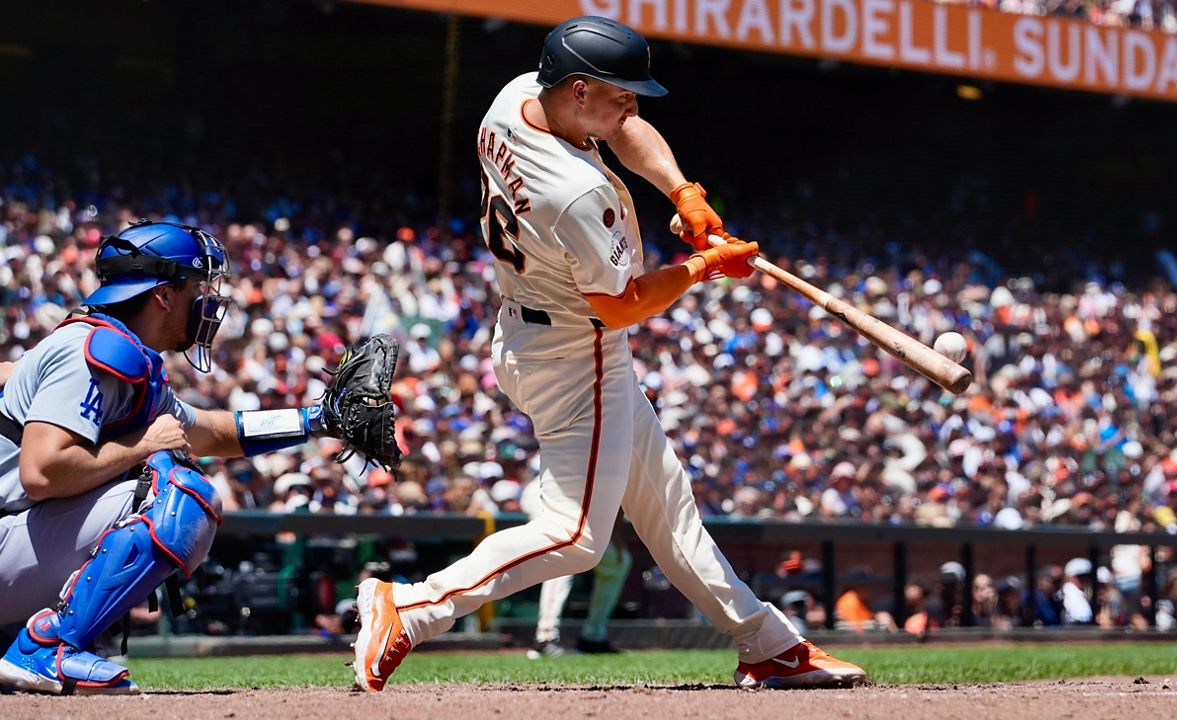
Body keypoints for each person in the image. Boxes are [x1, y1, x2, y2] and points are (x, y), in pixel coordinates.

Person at [351, 16, 865, 692]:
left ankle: (766, 641)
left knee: (667, 510)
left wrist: (681, 191)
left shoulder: (514, 99)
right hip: (574, 353)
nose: (633, 106)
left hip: (535, 330)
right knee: (575, 536)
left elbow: (622, 132)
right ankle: (412, 606)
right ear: (580, 90)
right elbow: (621, 304)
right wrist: (705, 266)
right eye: (621, 93)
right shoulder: (577, 193)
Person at [0, 221, 360, 694]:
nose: (207, 302)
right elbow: (42, 472)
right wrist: (144, 446)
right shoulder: (90, 350)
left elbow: (211, 431)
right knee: (180, 493)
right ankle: (48, 648)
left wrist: (317, 420)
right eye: (197, 288)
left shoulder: (123, 353)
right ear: (164, 295)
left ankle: (30, 643)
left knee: (169, 473)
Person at [530, 511, 632, 657]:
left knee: (617, 561)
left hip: (585, 518)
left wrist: (615, 537)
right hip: (549, 505)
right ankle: (545, 638)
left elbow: (618, 503)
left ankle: (593, 638)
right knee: (563, 557)